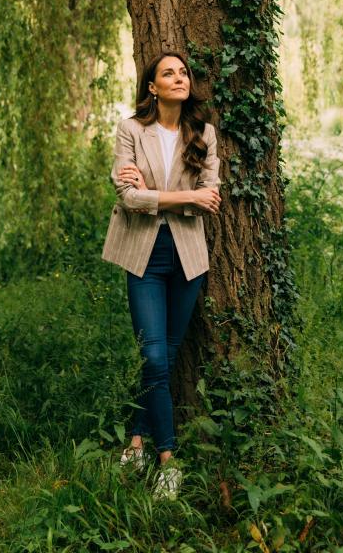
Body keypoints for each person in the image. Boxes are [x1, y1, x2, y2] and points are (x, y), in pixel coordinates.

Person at [101, 51, 221, 500]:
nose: (179, 78)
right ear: (152, 86)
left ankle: (135, 440)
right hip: (143, 253)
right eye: (168, 73)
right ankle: (168, 460)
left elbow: (211, 196)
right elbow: (129, 199)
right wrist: (180, 197)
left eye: (183, 72)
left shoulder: (203, 133)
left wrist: (156, 194)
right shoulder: (131, 130)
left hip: (188, 255)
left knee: (165, 356)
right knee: (152, 355)